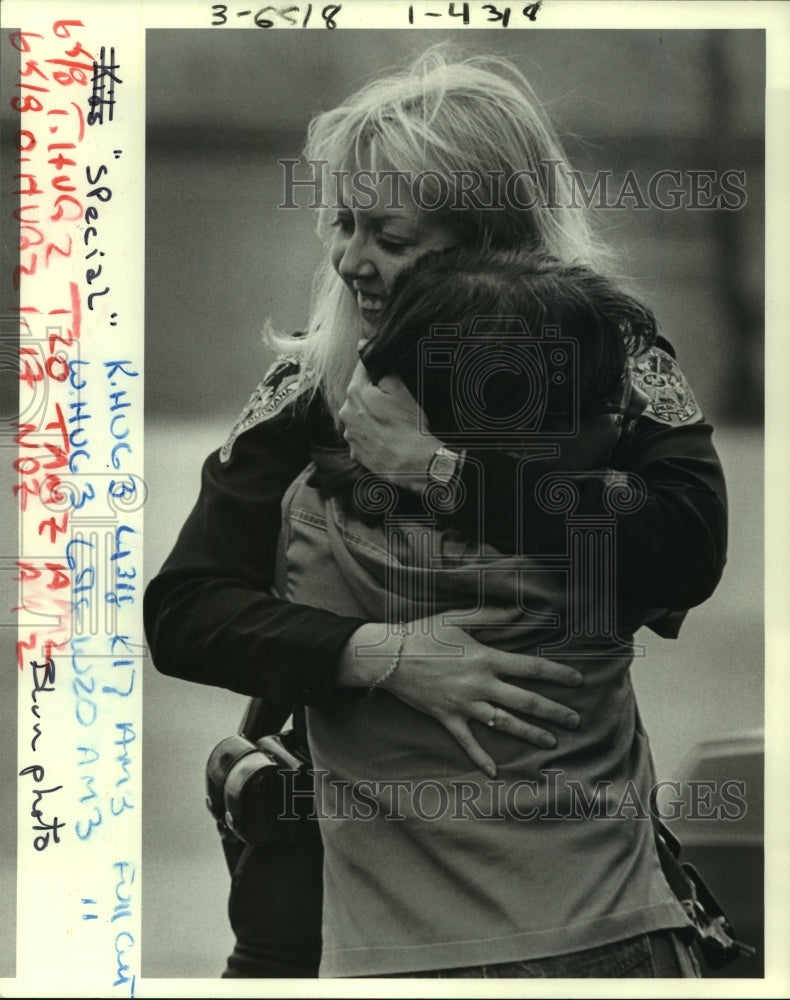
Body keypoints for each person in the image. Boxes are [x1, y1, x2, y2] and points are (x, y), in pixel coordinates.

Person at [143, 45, 727, 979]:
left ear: (493, 239)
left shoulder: (606, 354)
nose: (349, 259)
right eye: (343, 222)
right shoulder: (308, 384)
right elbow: (182, 613)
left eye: (391, 236)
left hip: (597, 912)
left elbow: (686, 551)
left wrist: (437, 470)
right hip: (352, 914)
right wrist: (387, 657)